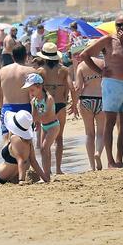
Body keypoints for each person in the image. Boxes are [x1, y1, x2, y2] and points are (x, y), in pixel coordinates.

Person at [81, 13, 123, 167]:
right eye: (118, 25)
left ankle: (119, 159)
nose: (121, 27)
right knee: (110, 121)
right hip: (112, 83)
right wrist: (100, 71)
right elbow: (85, 55)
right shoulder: (108, 40)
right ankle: (110, 161)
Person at [35, 42, 74, 174]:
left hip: (47, 105)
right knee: (59, 138)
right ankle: (58, 169)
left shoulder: (40, 71)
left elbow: (36, 90)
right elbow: (72, 87)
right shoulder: (64, 70)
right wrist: (74, 104)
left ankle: (47, 170)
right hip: (61, 104)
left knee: (45, 137)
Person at [0, 45, 36, 141]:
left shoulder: (3, 71)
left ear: (12, 57)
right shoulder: (31, 71)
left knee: (7, 140)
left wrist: (3, 107)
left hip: (7, 108)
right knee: (26, 141)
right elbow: (36, 95)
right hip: (25, 109)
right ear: (26, 56)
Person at [24, 73, 60, 180]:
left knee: (44, 148)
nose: (30, 93)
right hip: (44, 126)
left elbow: (46, 114)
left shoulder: (48, 99)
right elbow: (34, 115)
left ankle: (46, 175)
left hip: (53, 126)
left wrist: (34, 119)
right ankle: (47, 173)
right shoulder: (34, 101)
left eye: (32, 90)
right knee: (43, 150)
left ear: (39, 87)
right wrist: (34, 123)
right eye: (29, 90)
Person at [74, 49, 105, 171]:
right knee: (101, 133)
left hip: (86, 99)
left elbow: (78, 87)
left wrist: (74, 104)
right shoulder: (103, 63)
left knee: (89, 133)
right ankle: (98, 153)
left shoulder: (81, 66)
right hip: (101, 98)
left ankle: (92, 165)